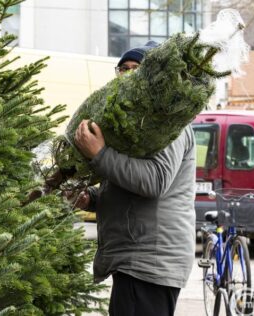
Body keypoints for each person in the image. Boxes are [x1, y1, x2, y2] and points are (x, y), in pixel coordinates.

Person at [73, 41, 196, 316]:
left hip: (149, 262)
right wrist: (91, 199)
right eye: (123, 69)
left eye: (136, 69)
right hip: (136, 260)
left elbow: (154, 182)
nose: (128, 75)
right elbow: (127, 183)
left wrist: (100, 154)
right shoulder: (139, 122)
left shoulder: (167, 122)